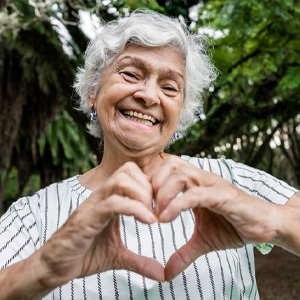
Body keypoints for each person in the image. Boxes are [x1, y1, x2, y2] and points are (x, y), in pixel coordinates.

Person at [0, 9, 299, 300]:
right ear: (93, 91)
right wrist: (43, 268)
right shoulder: (35, 215)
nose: (149, 95)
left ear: (180, 113)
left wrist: (274, 220)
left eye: (170, 87)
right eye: (131, 74)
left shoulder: (229, 179)